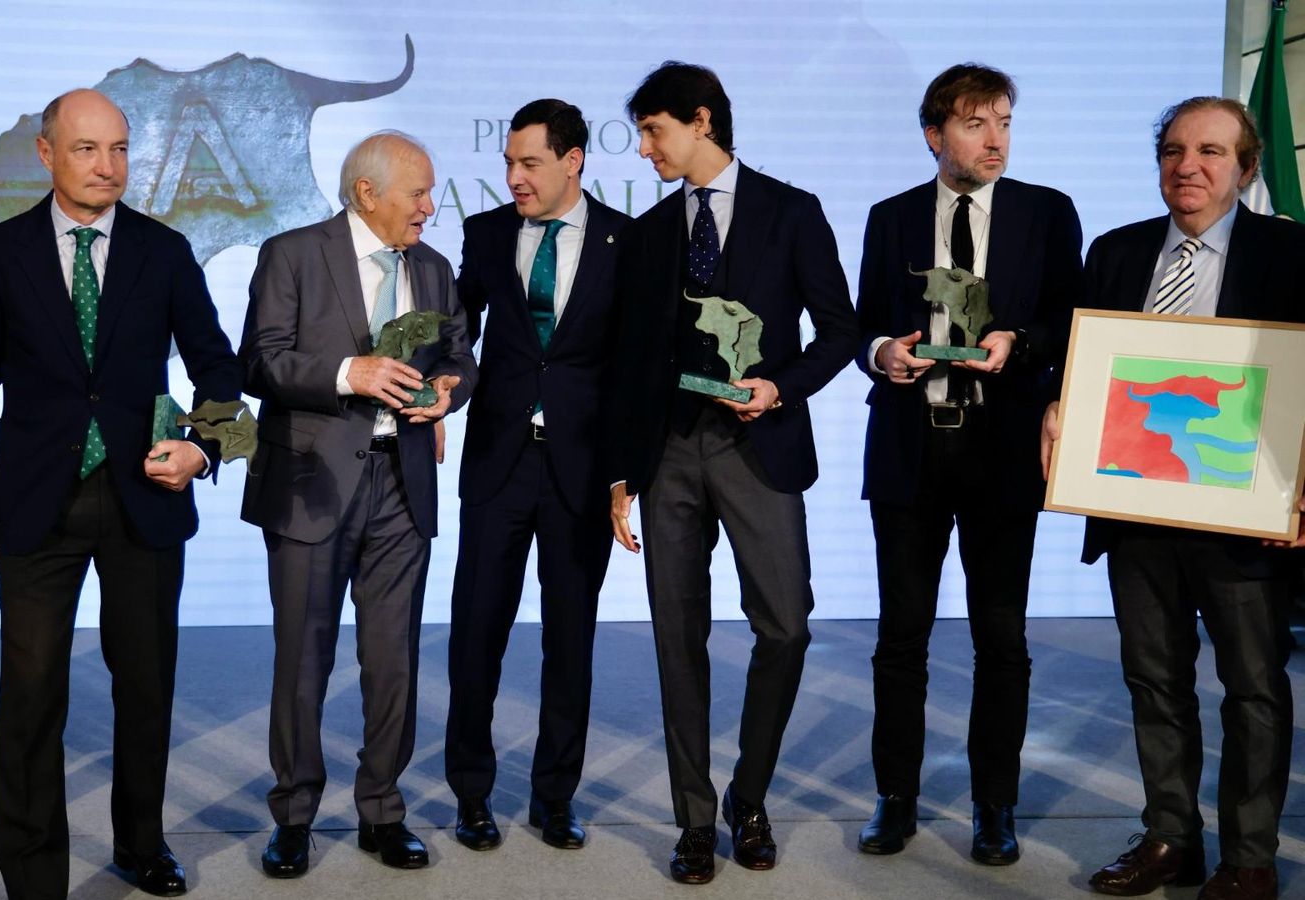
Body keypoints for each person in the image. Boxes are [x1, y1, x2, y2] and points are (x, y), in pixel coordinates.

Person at [0, 88, 244, 900]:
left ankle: (142, 844)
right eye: (86, 149)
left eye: (119, 149)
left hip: (146, 500)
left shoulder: (165, 250)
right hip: (33, 505)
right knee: (31, 693)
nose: (107, 166)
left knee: (145, 684)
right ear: (46, 154)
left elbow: (220, 369)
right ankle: (33, 875)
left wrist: (204, 448)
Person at [1041, 96, 1304, 900]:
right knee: (1153, 681)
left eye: (1211, 152)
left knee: (1254, 689)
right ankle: (1170, 840)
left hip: (1244, 516)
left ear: (1246, 169)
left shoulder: (1291, 253)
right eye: (1174, 151)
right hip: (1135, 509)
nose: (1188, 166)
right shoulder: (1116, 251)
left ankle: (1249, 859)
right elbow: (1082, 361)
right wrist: (1059, 403)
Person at [605, 61, 858, 885]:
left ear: (701, 120)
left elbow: (841, 331)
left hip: (761, 447)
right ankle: (694, 819)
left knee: (786, 626)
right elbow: (629, 364)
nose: (645, 149)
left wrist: (779, 386)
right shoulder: (647, 233)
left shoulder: (792, 211)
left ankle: (749, 797)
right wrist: (620, 474)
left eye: (654, 131)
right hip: (669, 453)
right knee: (677, 638)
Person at [853, 63, 1082, 864]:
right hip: (910, 449)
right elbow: (863, 325)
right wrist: (883, 351)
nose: (996, 141)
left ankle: (995, 805)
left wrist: (1021, 341)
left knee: (1001, 638)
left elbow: (1069, 318)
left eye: (1005, 123)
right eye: (977, 123)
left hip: (1002, 449)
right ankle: (895, 798)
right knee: (900, 638)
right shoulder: (890, 217)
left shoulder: (1046, 212)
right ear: (934, 134)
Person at [240, 130, 476, 878]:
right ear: (367, 193)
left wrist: (449, 392)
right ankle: (294, 816)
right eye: (418, 193)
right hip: (310, 484)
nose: (430, 208)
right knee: (302, 657)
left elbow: (460, 355)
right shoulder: (292, 254)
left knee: (393, 658)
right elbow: (260, 361)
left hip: (402, 483)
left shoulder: (433, 268)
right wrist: (351, 372)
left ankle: (382, 809)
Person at [445, 99, 629, 853]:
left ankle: (556, 797)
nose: (514, 178)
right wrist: (433, 392)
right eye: (509, 164)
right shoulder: (486, 232)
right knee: (475, 633)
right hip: (499, 461)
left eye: (530, 164)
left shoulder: (626, 239)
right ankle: (471, 794)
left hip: (582, 470)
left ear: (572, 160)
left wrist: (625, 472)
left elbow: (634, 365)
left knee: (571, 638)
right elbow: (457, 332)